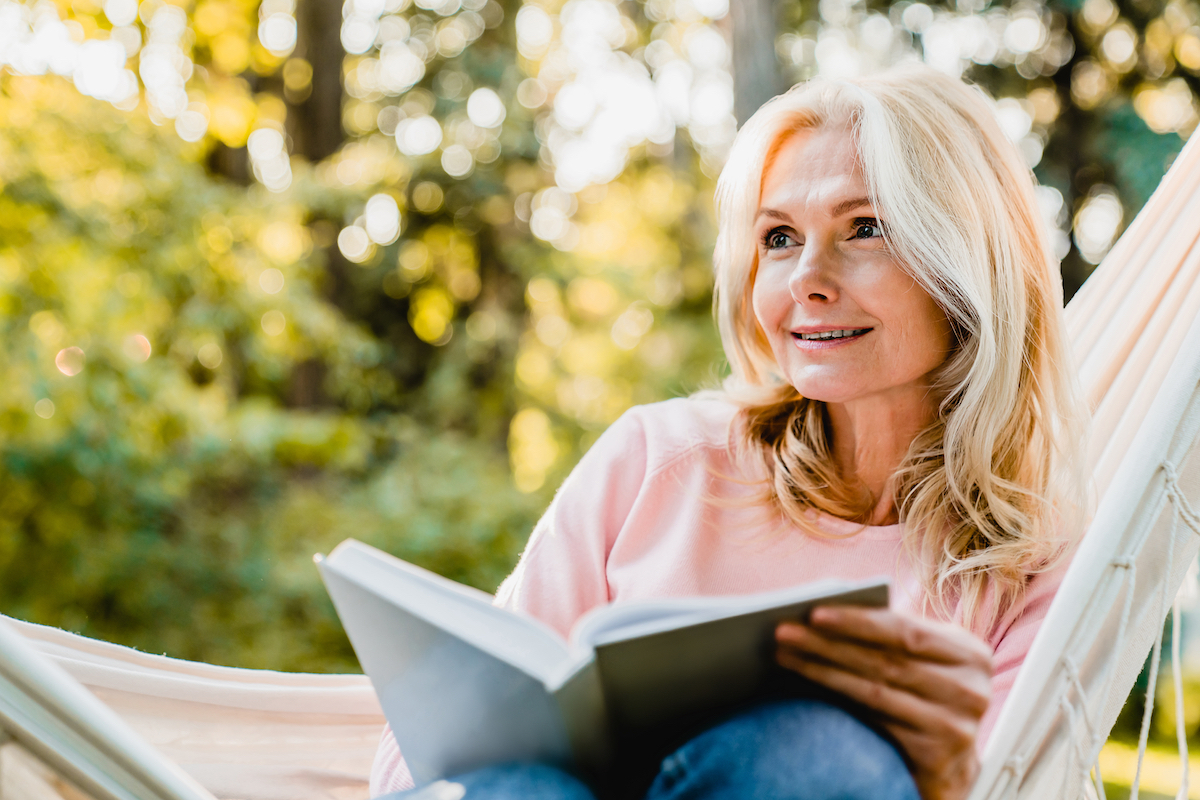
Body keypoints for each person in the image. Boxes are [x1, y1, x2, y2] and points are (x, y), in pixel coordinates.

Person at [372, 64, 1088, 800]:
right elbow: (420, 757)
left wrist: (942, 780)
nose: (807, 277)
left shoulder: (1030, 566)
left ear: (970, 260)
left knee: (818, 758)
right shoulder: (657, 461)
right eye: (779, 237)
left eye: (865, 227)